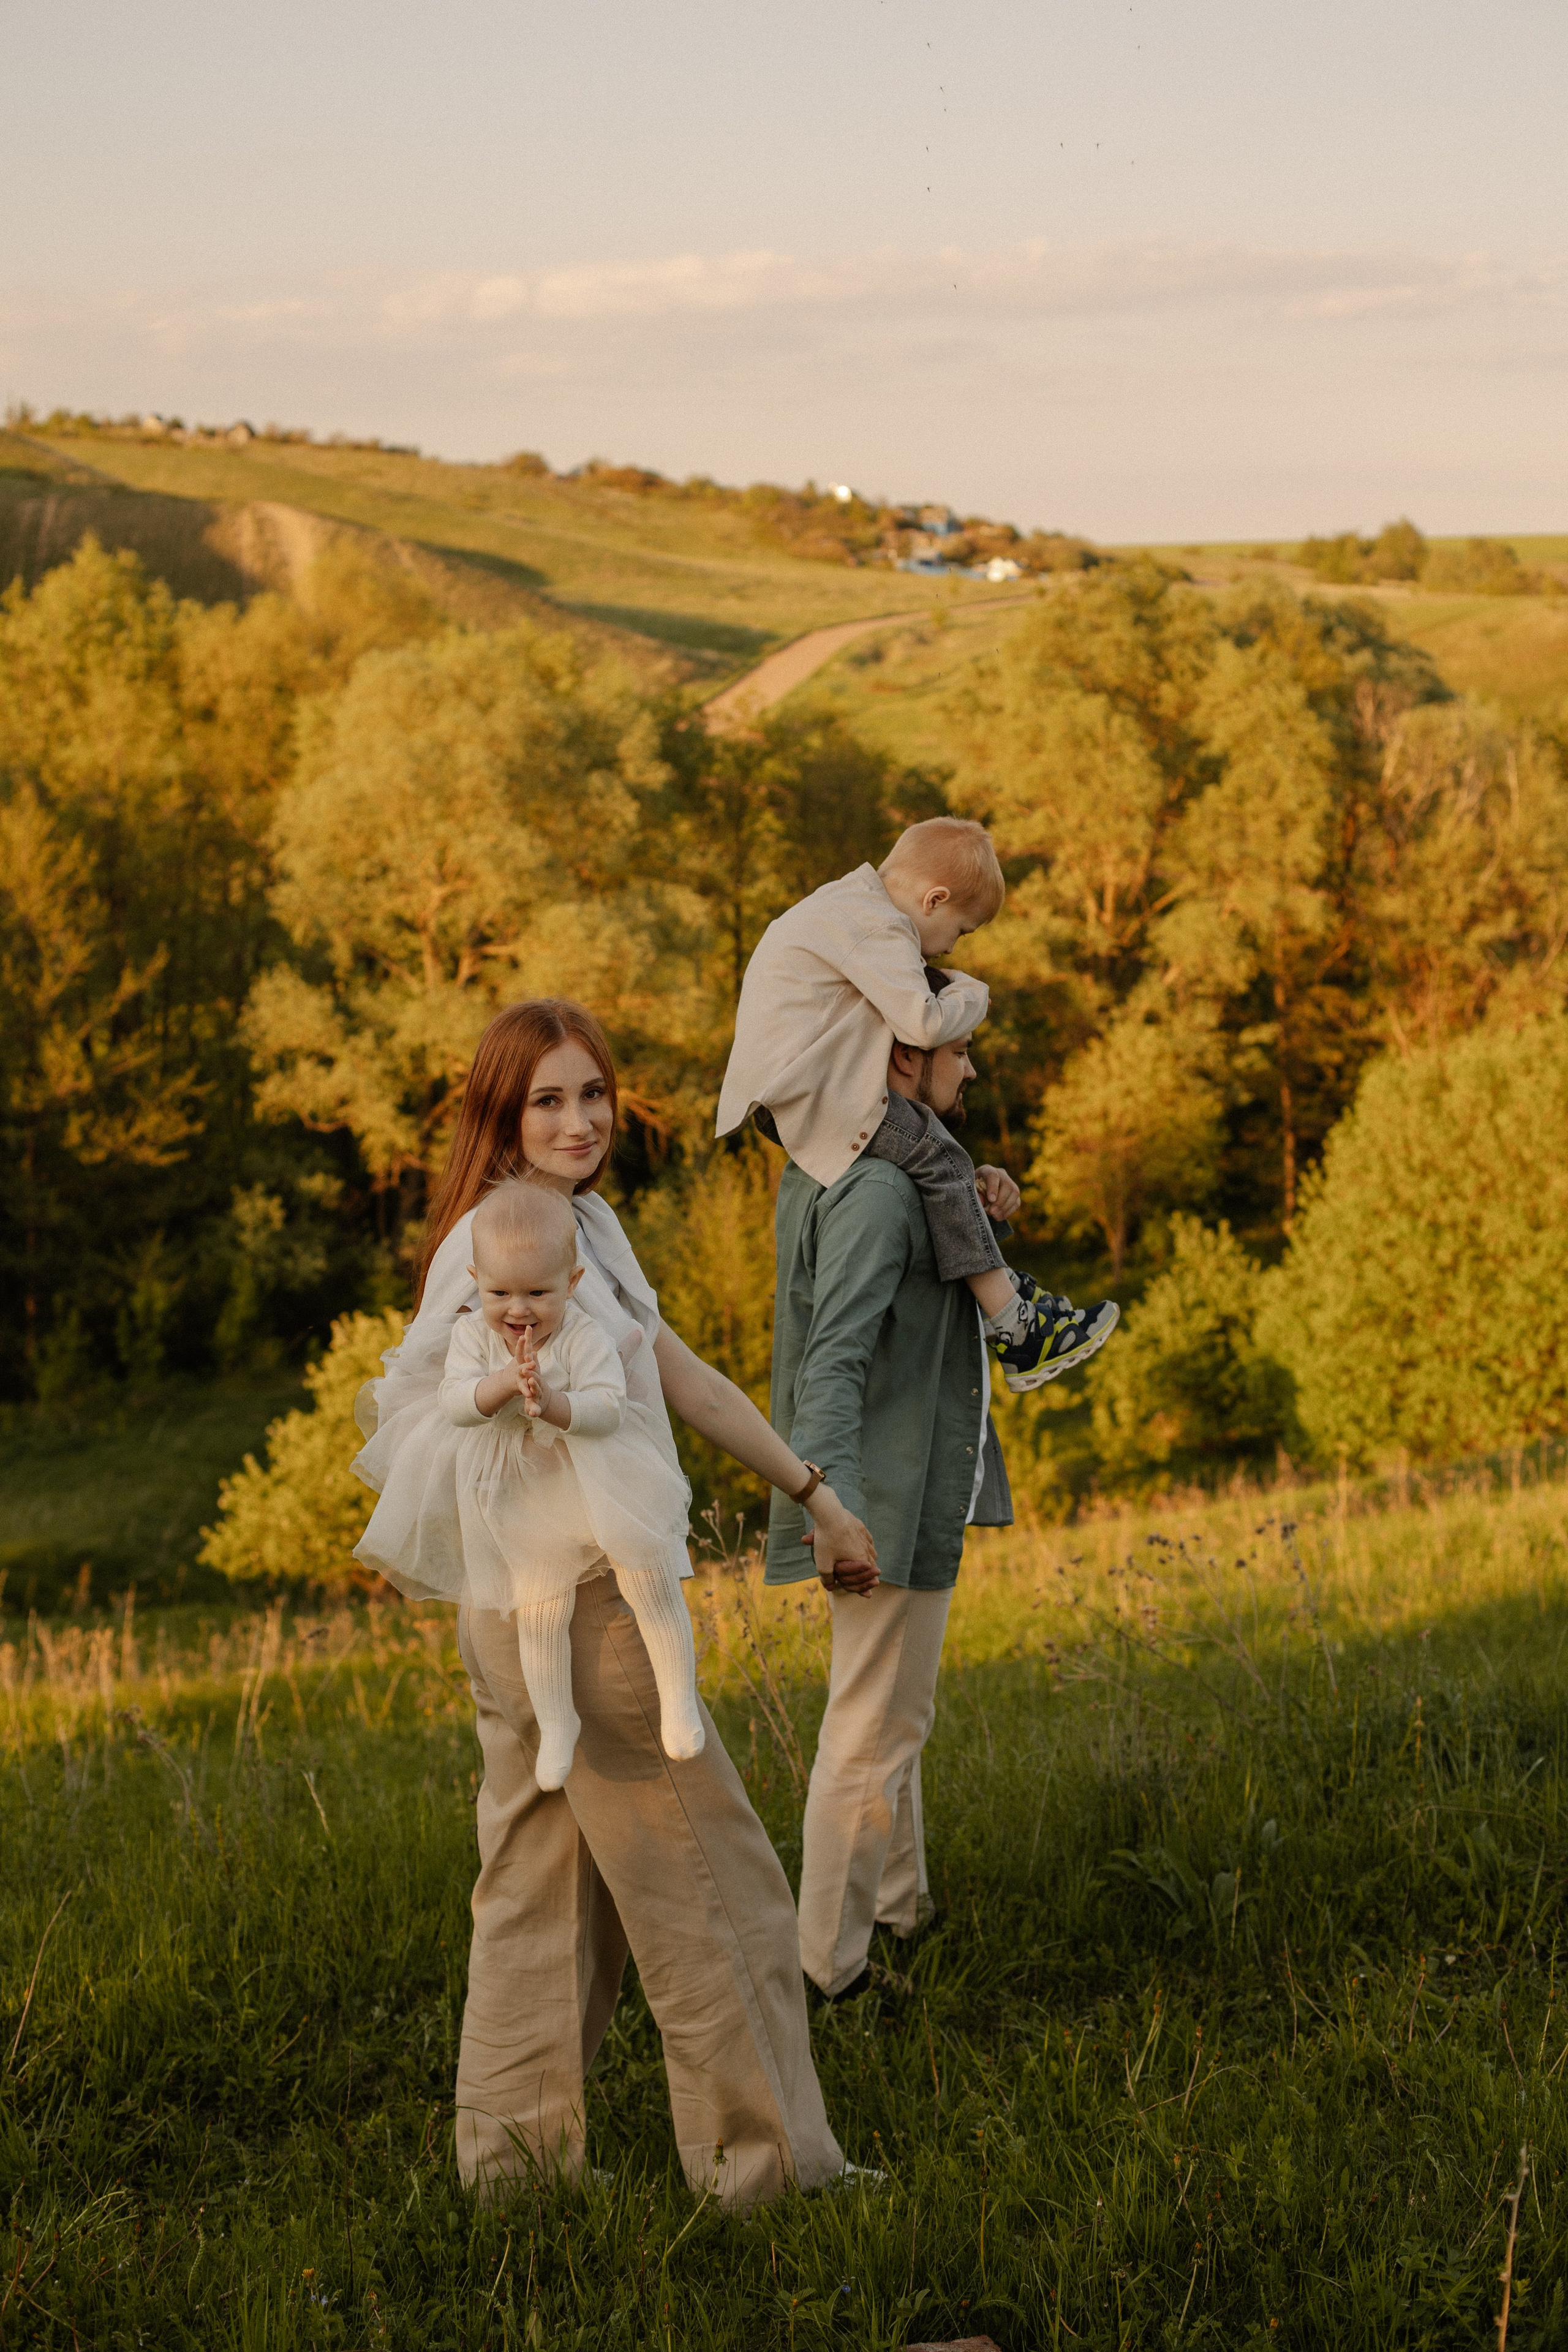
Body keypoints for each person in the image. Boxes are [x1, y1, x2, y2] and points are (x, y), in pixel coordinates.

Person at [353, 998, 876, 2209]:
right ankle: (768, 2174)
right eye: (546, 1099)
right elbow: (425, 1405)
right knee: (712, 1875)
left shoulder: (574, 1228)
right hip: (580, 1612)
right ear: (501, 1111)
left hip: (517, 1610)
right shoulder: (495, 1241)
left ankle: (512, 2184)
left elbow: (673, 1372)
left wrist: (811, 1492)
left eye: (592, 1094)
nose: (579, 1120)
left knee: (538, 1888)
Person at [763, 974, 1023, 1999]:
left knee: (893, 1720)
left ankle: (898, 1912)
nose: (970, 1065)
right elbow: (833, 1359)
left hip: (907, 1485)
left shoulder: (854, 1171)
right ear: (902, 1062)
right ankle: (828, 1971)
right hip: (879, 1497)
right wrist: (832, 1510)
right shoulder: (874, 1194)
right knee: (870, 1731)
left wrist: (983, 1186)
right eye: (956, 1051)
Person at [716, 815, 1118, 1389]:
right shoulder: (877, 928)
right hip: (812, 1092)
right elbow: (924, 1023)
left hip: (800, 1083)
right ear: (933, 900)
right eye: (961, 931)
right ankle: (1016, 1329)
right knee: (942, 1156)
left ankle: (1007, 1295)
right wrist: (973, 993)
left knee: (938, 1158)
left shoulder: (850, 907)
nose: (953, 947)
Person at [355, 1178, 701, 1789]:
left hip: (599, 1471)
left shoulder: (582, 1335)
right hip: (527, 1492)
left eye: (538, 1293)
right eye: (499, 1293)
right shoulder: (472, 1337)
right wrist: (504, 1387)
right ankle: (556, 1721)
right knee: (540, 1605)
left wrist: (557, 1403)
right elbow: (456, 1402)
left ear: (569, 1285)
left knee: (647, 1568)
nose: (518, 1310)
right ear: (475, 1281)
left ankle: (679, 1697)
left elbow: (608, 1408)